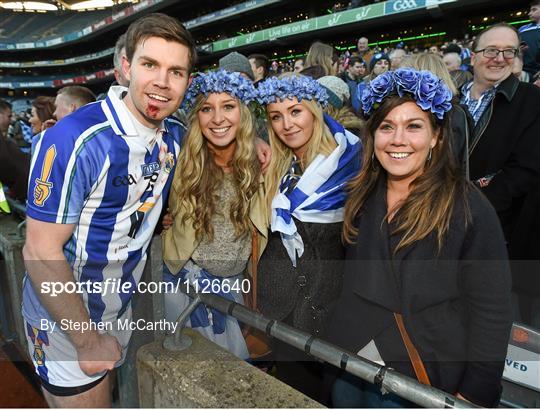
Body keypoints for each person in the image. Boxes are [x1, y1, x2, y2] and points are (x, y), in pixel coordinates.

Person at [22, 13, 197, 407]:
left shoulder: (174, 133)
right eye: (150, 65)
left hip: (117, 308)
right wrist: (86, 340)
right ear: (125, 66)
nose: (162, 82)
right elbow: (39, 251)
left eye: (177, 72)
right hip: (67, 321)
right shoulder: (75, 139)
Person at [329, 68, 512, 408]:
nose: (398, 139)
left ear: (436, 138)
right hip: (355, 370)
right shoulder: (360, 195)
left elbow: (492, 311)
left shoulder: (468, 207)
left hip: (422, 382)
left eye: (414, 126)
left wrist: (474, 394)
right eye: (387, 127)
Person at [255, 74, 361, 403]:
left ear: (314, 110)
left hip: (328, 311)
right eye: (276, 116)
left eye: (295, 112)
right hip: (279, 308)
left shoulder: (351, 163)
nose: (286, 124)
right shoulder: (275, 162)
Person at [162, 70, 265, 359]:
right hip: (182, 288)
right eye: (207, 108)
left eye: (228, 106)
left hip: (234, 290)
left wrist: (258, 140)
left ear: (243, 113)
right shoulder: (181, 160)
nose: (217, 118)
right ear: (197, 117)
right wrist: (159, 218)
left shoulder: (262, 165)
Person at [460, 23, 540, 326]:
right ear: (473, 56)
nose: (500, 58)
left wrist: (473, 205)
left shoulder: (532, 101)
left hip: (498, 233)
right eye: (491, 50)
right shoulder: (449, 99)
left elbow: (524, 172)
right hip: (443, 224)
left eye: (509, 51)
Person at [518, 0, 540, 79]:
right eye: (530, 10)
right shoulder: (522, 29)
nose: (529, 13)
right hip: (524, 71)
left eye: (534, 10)